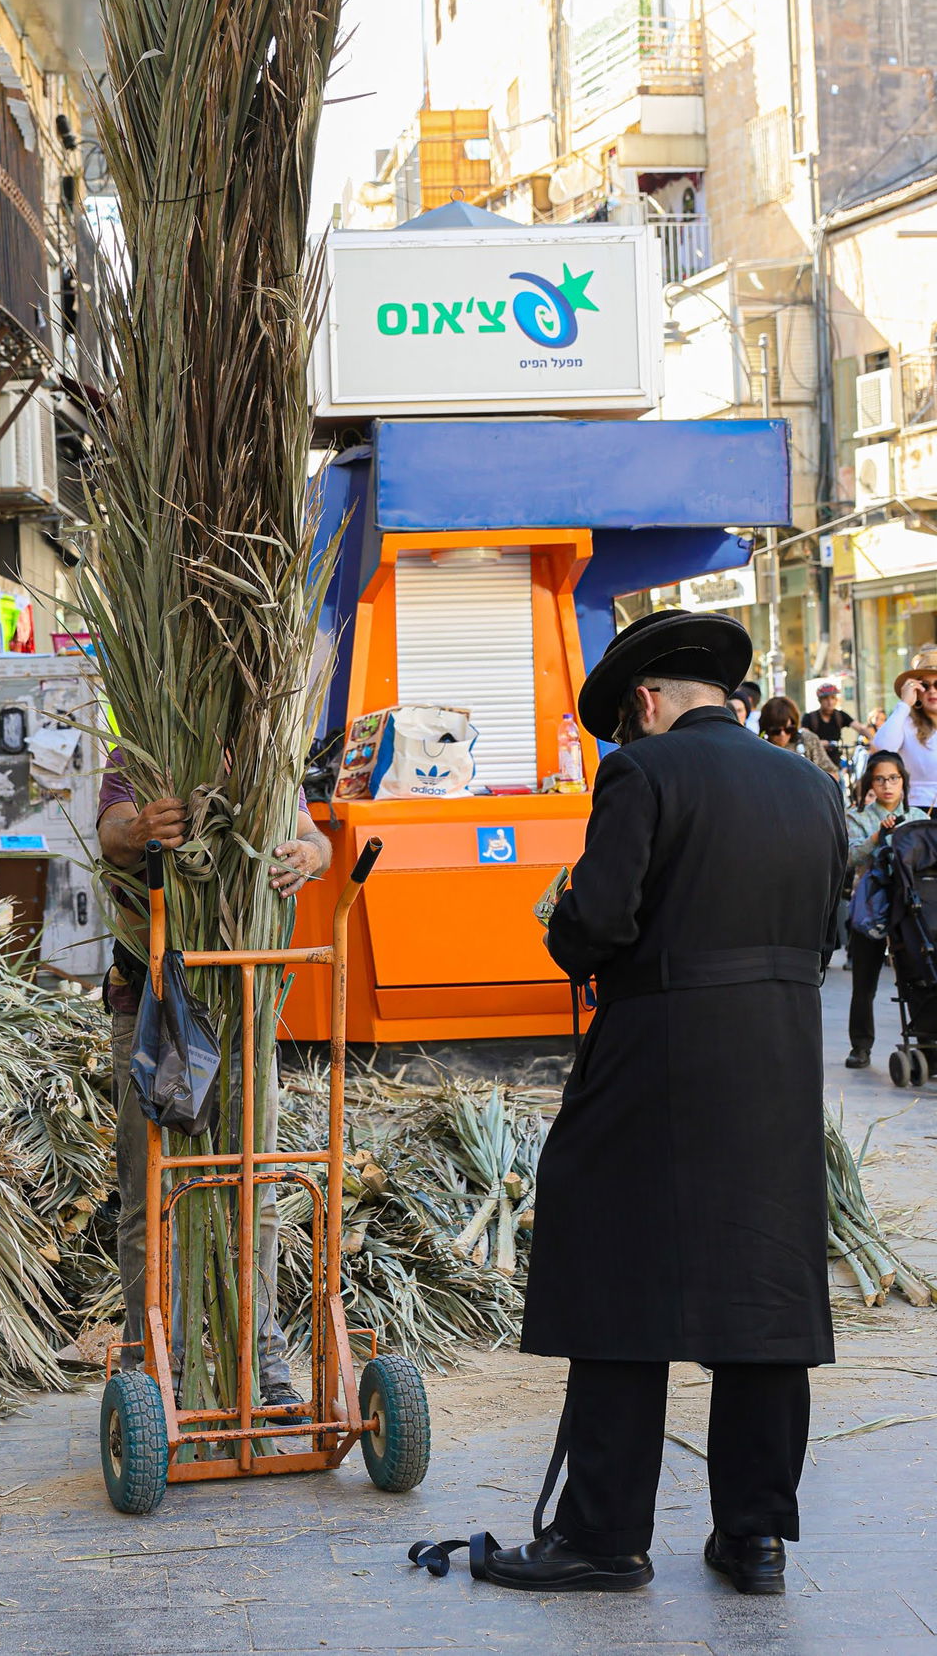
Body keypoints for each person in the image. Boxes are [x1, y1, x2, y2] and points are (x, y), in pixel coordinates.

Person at [465, 609, 845, 1599]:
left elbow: (593, 927)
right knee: (761, 1293)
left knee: (617, 1282)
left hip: (656, 1057)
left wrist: (566, 915)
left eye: (622, 725)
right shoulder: (812, 786)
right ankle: (754, 1539)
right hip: (774, 1060)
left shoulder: (641, 774)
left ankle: (601, 1536)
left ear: (642, 704)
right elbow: (824, 934)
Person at [96, 752, 330, 1405]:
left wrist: (307, 855)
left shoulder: (264, 749)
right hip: (154, 1013)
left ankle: (263, 1363)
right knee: (149, 1192)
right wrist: (140, 828)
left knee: (254, 1184)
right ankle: (150, 1368)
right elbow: (111, 829)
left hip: (245, 1007)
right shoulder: (142, 752)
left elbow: (316, 838)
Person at [843, 752, 924, 1069]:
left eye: (894, 778)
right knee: (864, 980)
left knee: (918, 975)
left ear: (903, 780)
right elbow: (849, 859)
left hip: (909, 908)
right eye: (880, 779)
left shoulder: (918, 815)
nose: (888, 785)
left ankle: (925, 1041)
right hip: (871, 907)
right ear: (870, 783)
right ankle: (860, 1046)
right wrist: (879, 836)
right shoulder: (858, 816)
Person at [870, 647, 937, 809]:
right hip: (919, 811)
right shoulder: (906, 723)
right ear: (916, 691)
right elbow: (882, 747)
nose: (933, 690)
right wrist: (905, 704)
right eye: (925, 686)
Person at [758, 694, 839, 778]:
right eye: (776, 731)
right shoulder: (759, 748)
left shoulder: (808, 740)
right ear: (766, 728)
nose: (783, 735)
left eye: (789, 729)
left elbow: (832, 774)